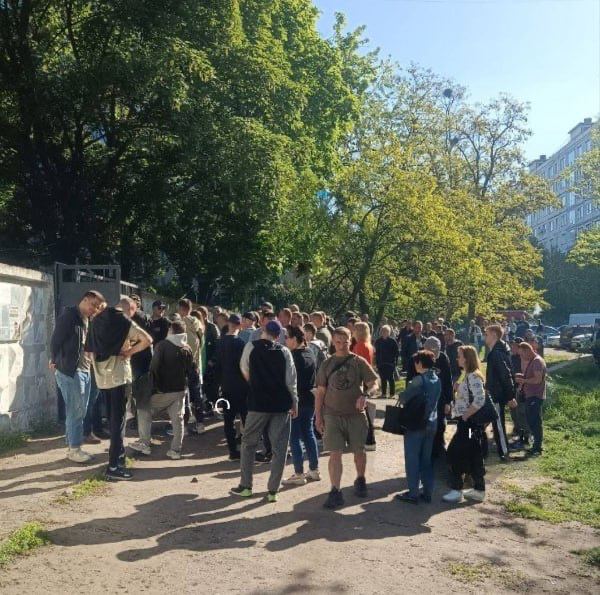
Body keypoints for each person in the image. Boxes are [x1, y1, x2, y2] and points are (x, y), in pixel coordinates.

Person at [231, 320, 298, 502]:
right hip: (281, 404)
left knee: (248, 444)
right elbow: (291, 380)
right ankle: (273, 491)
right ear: (278, 336)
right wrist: (294, 402)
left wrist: (254, 383)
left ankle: (246, 486)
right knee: (279, 448)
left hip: (258, 403)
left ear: (263, 331)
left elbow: (244, 368)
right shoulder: (284, 352)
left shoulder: (251, 347)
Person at [87, 297, 152, 480]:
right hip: (119, 377)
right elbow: (147, 340)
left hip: (102, 379)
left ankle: (118, 458)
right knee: (118, 423)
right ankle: (114, 466)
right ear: (129, 310)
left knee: (111, 420)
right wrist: (128, 352)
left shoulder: (95, 320)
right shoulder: (123, 321)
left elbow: (89, 350)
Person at [315, 327, 379, 509]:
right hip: (332, 415)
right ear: (333, 342)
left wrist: (366, 395)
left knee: (359, 451)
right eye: (338, 342)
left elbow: (374, 383)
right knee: (335, 453)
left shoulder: (358, 362)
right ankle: (335, 491)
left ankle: (360, 479)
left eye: (345, 342)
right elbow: (320, 392)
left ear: (351, 341)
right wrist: (318, 416)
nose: (342, 345)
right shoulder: (326, 364)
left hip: (355, 415)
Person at [50, 290, 105, 463]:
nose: (94, 309)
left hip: (85, 370)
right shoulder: (69, 316)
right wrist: (53, 359)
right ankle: (74, 449)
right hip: (70, 371)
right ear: (85, 299)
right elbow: (55, 340)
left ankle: (71, 446)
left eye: (97, 307)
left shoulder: (87, 319)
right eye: (93, 305)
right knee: (76, 411)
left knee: (79, 410)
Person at [130, 320, 196, 459]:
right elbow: (191, 370)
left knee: (143, 409)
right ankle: (175, 450)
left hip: (163, 391)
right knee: (178, 420)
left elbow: (154, 368)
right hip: (180, 390)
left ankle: (144, 443)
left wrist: (152, 386)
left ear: (171, 330)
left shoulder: (163, 345)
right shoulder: (187, 348)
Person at [395, 350, 441, 504]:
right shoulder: (437, 379)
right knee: (426, 460)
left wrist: (402, 393)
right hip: (432, 422)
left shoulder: (418, 380)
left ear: (420, 363)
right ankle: (427, 492)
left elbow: (404, 398)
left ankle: (413, 493)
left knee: (412, 458)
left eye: (416, 362)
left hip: (416, 423)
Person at [443, 345, 487, 503]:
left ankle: (457, 489)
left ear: (467, 358)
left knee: (455, 453)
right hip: (466, 423)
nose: (457, 358)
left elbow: (480, 399)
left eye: (460, 355)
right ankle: (478, 489)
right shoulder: (466, 374)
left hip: (468, 424)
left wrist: (466, 416)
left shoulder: (473, 376)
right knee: (472, 454)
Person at [282, 326, 320, 485]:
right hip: (310, 400)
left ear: (295, 339)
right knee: (308, 434)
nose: (285, 340)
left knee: (295, 437)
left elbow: (290, 382)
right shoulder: (310, 352)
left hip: (297, 401)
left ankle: (298, 473)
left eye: (287, 337)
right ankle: (314, 469)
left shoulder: (293, 356)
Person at [214, 314, 249, 460]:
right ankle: (247, 450)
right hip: (241, 387)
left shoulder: (220, 343)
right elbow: (245, 366)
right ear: (239, 326)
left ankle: (233, 451)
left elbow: (216, 365)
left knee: (228, 420)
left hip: (226, 386)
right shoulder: (241, 343)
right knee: (246, 419)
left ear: (228, 324)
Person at [484, 324, 517, 461]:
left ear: (494, 335)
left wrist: (510, 396)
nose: (484, 337)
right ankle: (475, 444)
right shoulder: (497, 351)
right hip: (494, 393)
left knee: (498, 424)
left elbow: (505, 375)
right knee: (487, 421)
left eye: (486, 334)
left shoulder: (496, 353)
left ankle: (504, 452)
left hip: (497, 395)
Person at [515, 342, 547, 457]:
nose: (521, 357)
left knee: (535, 422)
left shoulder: (537, 361)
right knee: (532, 421)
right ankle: (536, 446)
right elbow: (533, 377)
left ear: (527, 350)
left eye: (522, 354)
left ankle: (537, 447)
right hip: (531, 396)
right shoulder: (533, 360)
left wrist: (524, 381)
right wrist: (522, 376)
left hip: (535, 396)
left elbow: (538, 380)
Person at [423, 336, 452, 459]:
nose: (435, 355)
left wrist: (448, 401)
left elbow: (448, 381)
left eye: (436, 352)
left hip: (440, 398)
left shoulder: (443, 358)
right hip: (425, 399)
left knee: (440, 424)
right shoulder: (419, 358)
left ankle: (439, 449)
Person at [508, 338, 530, 450]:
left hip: (522, 389)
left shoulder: (525, 359)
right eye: (512, 346)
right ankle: (518, 429)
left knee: (521, 413)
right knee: (514, 411)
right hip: (513, 388)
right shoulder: (511, 357)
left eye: (515, 346)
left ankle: (525, 437)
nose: (513, 348)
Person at [374, 325, 400, 398]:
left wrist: (395, 362)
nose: (384, 332)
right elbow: (376, 353)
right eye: (382, 331)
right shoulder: (378, 341)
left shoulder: (392, 341)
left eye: (386, 331)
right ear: (380, 332)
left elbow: (396, 352)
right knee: (383, 378)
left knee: (391, 378)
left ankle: (392, 394)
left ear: (389, 332)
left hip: (390, 363)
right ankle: (384, 394)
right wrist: (376, 362)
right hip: (381, 363)